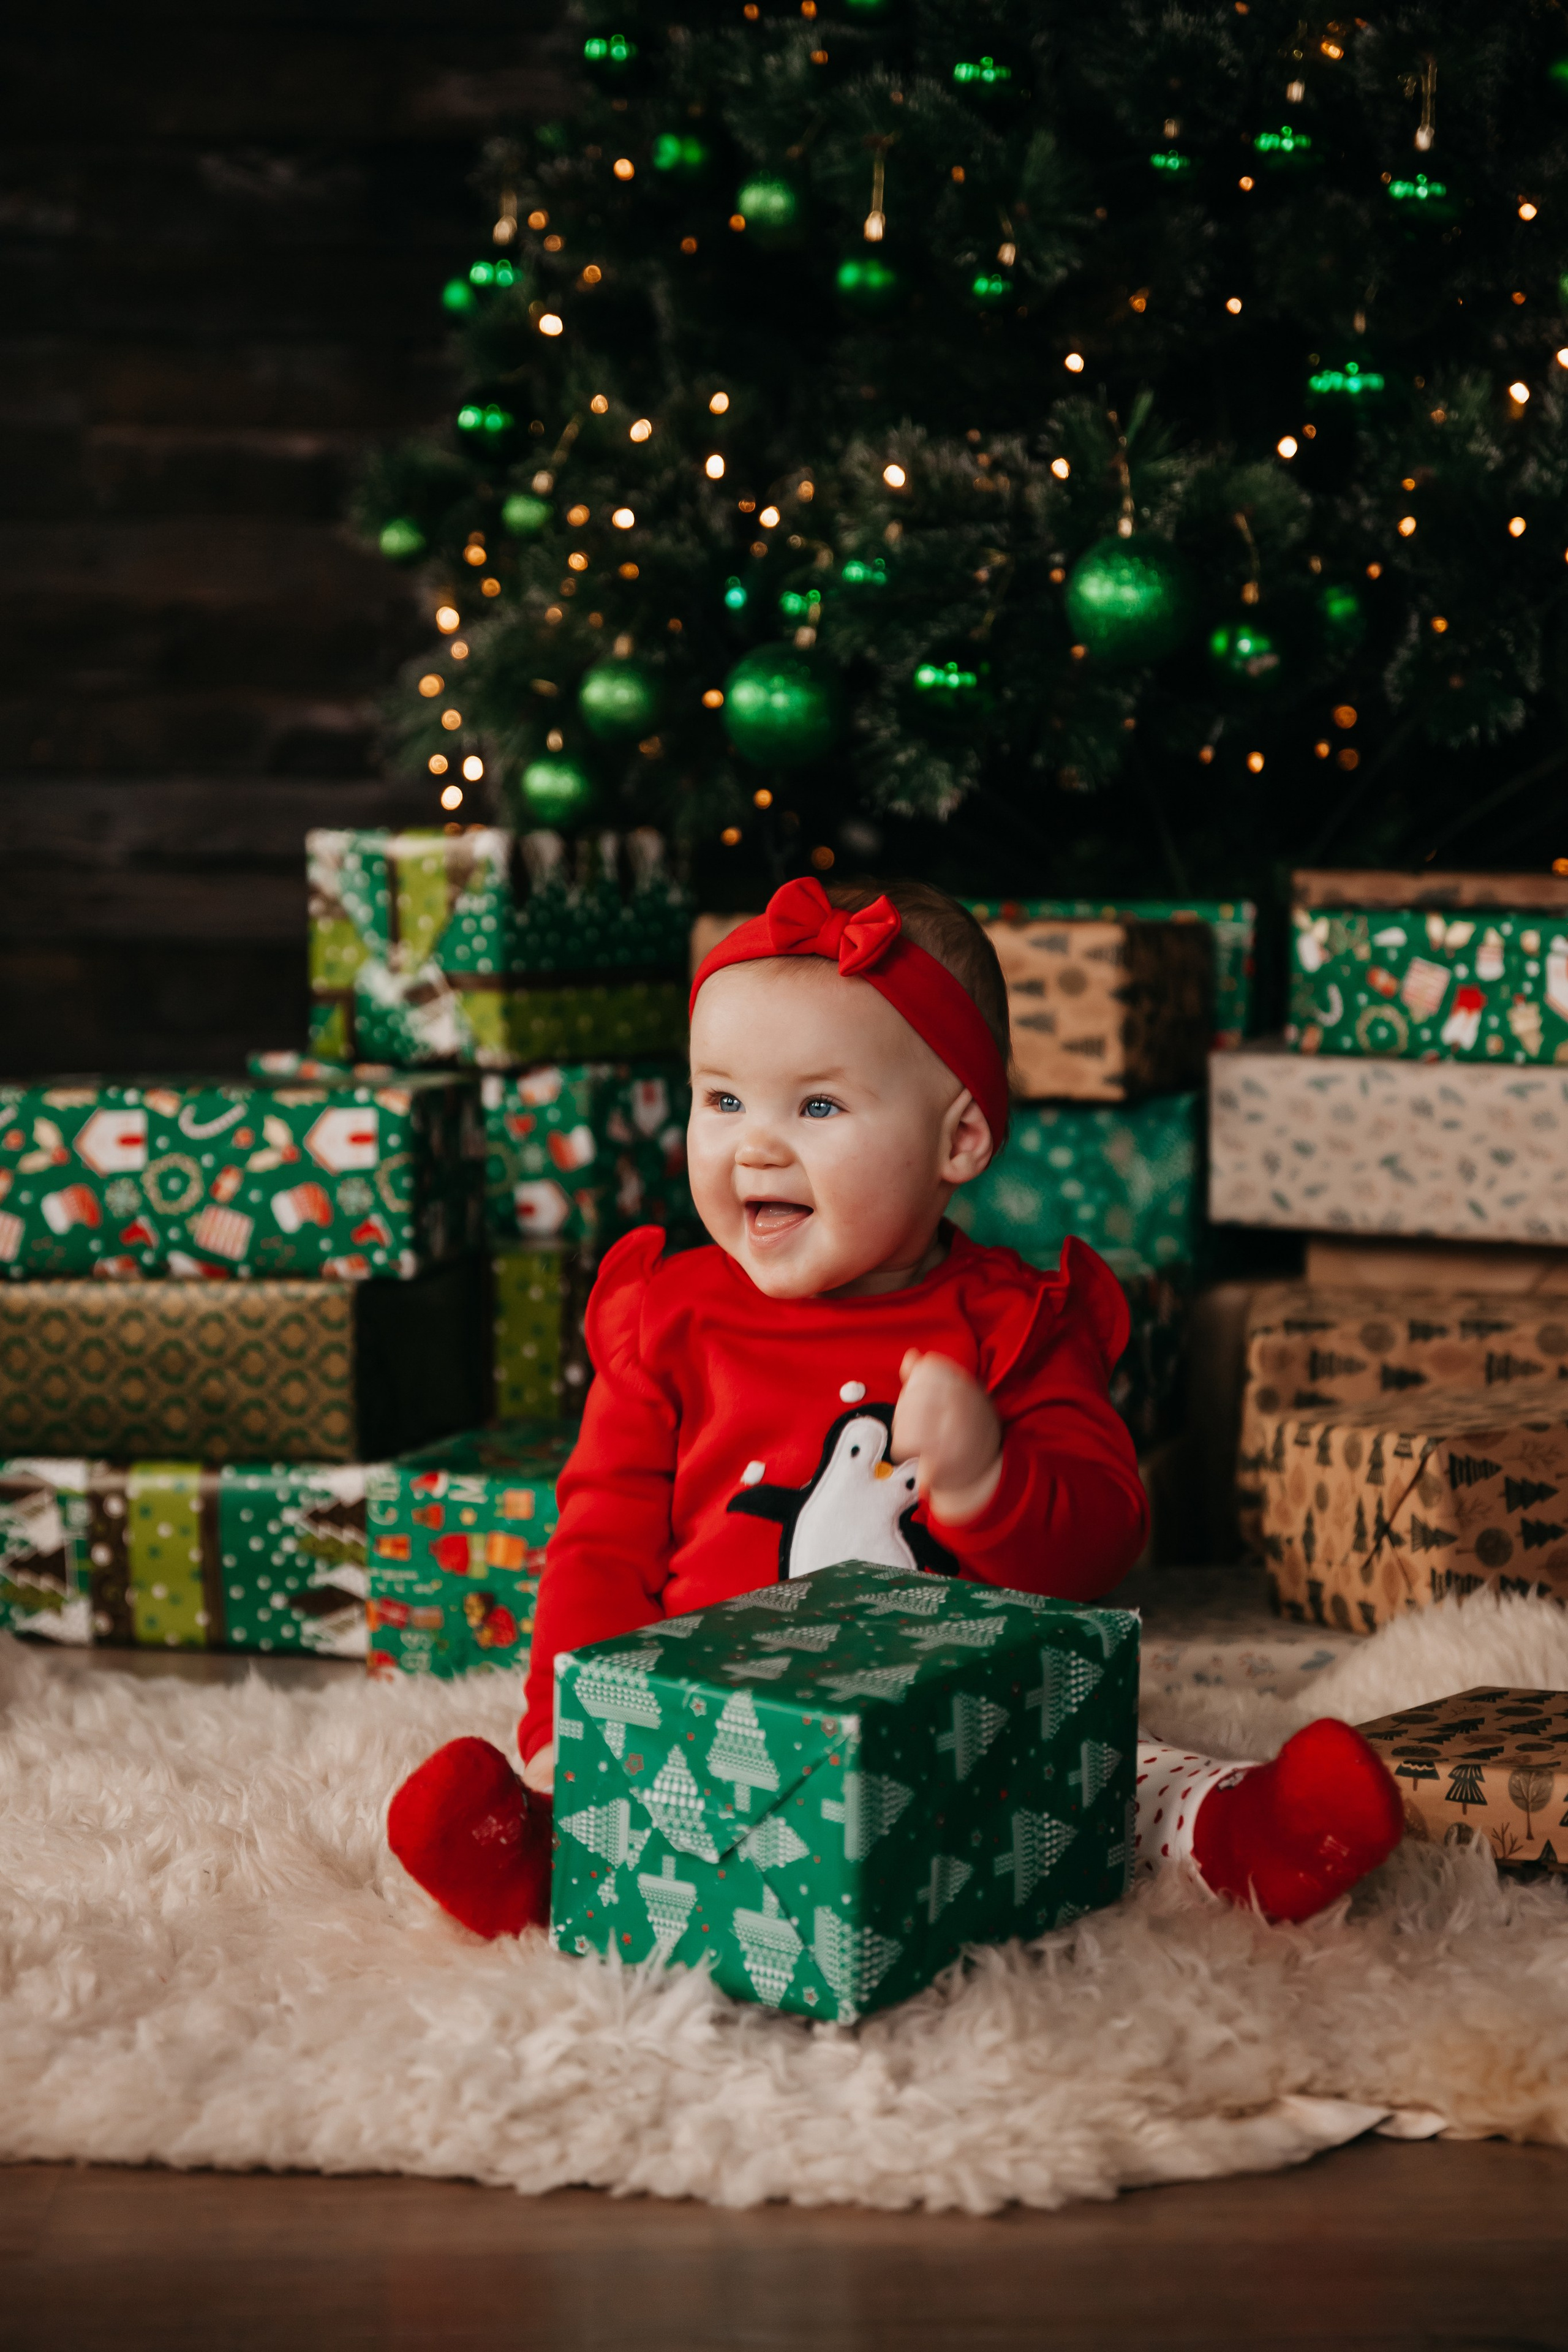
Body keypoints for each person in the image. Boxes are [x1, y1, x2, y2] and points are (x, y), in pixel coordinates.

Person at [388, 876, 1401, 1940]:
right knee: (648, 1807)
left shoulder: (1014, 1324)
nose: (754, 1147)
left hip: (960, 1726)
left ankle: (1250, 1834)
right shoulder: (666, 1319)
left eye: (817, 1107)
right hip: (720, 1720)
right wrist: (573, 1722)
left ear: (958, 1142)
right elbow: (601, 1546)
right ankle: (539, 1852)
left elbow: (1103, 1540)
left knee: (1102, 1775)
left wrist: (984, 1480)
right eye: (722, 1100)